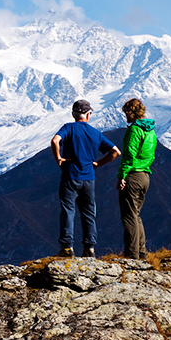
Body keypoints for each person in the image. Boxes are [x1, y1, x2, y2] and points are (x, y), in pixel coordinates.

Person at [51, 99, 121, 258]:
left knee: (68, 210)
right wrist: (97, 163)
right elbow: (116, 152)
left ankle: (67, 248)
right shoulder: (95, 133)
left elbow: (55, 140)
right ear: (88, 115)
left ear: (73, 114)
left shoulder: (68, 128)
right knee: (89, 213)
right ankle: (89, 249)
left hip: (70, 176)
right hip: (89, 178)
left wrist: (59, 159)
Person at [117, 98, 157, 260]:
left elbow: (129, 154)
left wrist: (122, 175)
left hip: (132, 176)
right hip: (145, 176)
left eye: (126, 112)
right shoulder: (151, 131)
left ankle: (132, 254)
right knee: (136, 214)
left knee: (128, 215)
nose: (125, 116)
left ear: (131, 112)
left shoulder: (134, 130)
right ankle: (141, 252)